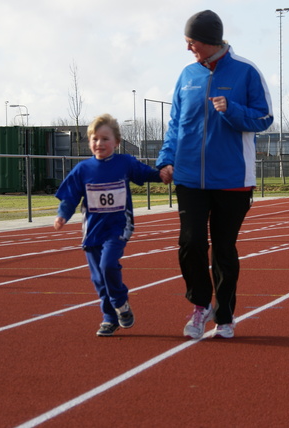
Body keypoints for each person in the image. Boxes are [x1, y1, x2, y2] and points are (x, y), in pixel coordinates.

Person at [157, 10, 274, 339]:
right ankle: (199, 303)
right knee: (191, 242)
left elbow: (264, 118)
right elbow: (175, 126)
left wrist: (232, 110)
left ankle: (224, 315)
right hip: (190, 177)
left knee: (223, 249)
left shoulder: (246, 72)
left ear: (208, 41)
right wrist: (166, 160)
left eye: (191, 42)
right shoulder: (186, 76)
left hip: (233, 179)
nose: (188, 48)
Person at [54, 113, 163, 337]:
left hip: (118, 227)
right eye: (94, 139)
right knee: (98, 278)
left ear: (117, 142)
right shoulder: (83, 169)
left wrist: (164, 175)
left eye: (105, 139)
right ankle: (109, 317)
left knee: (108, 265)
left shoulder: (125, 163)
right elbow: (70, 197)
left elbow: (146, 173)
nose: (99, 143)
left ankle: (120, 302)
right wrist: (62, 215)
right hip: (93, 231)